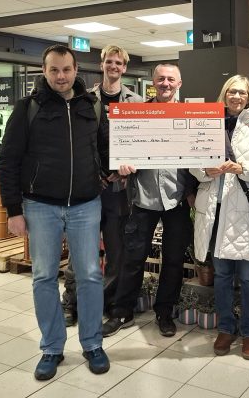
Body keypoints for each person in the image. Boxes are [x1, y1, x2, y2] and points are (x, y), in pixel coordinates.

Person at [0, 44, 111, 381]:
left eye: (66, 69)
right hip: (40, 206)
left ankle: (92, 344)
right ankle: (51, 347)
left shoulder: (92, 106)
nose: (61, 76)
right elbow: (8, 160)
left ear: (76, 70)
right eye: (54, 70)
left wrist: (117, 167)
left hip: (86, 205)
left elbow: (104, 150)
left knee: (90, 275)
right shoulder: (28, 108)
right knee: (44, 277)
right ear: (44, 71)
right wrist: (13, 210)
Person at [101, 63, 197, 338]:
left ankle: (164, 312)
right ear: (153, 83)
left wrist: (192, 191)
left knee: (174, 260)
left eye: (171, 79)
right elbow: (118, 150)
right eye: (161, 79)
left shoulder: (190, 116)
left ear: (179, 83)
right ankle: (122, 312)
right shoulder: (138, 115)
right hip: (143, 198)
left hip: (177, 199)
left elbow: (198, 156)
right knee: (133, 258)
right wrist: (120, 165)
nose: (166, 83)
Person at [190, 75, 249, 360]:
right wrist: (205, 171)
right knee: (222, 276)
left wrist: (241, 168)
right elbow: (192, 164)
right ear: (224, 94)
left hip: (243, 213)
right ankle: (226, 328)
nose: (236, 96)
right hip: (214, 212)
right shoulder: (207, 124)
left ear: (248, 97)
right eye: (231, 91)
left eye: (242, 92)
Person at [62, 45, 143, 326]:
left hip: (119, 191)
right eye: (109, 61)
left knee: (116, 251)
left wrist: (129, 168)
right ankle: (71, 302)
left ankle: (104, 303)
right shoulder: (85, 99)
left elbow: (142, 145)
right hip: (88, 188)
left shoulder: (137, 103)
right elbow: (78, 142)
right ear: (102, 64)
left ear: (125, 67)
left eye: (119, 62)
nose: (113, 66)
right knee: (79, 250)